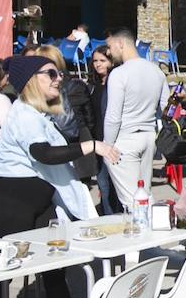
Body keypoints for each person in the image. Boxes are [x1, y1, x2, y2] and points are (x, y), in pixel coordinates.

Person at [0, 56, 120, 298]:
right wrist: (91, 146)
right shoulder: (23, 112)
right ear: (32, 80)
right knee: (2, 273)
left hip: (37, 200)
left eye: (59, 74)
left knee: (54, 265)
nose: (59, 79)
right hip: (10, 201)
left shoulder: (39, 114)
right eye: (51, 74)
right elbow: (42, 153)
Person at [102, 29, 167, 210]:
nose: (108, 51)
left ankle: (150, 232)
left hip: (125, 138)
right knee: (144, 193)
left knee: (134, 202)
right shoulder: (156, 71)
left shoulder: (119, 73)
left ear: (120, 43)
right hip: (148, 136)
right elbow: (165, 107)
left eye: (110, 46)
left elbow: (113, 116)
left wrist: (107, 145)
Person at [33, 44, 97, 182]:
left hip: (54, 149)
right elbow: (90, 118)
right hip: (79, 143)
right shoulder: (77, 86)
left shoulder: (35, 93)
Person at [87, 47, 119, 214]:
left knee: (116, 186)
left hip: (115, 141)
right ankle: (107, 216)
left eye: (102, 61)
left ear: (111, 62)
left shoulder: (117, 84)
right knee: (103, 184)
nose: (98, 64)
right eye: (95, 61)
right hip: (98, 140)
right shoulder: (92, 85)